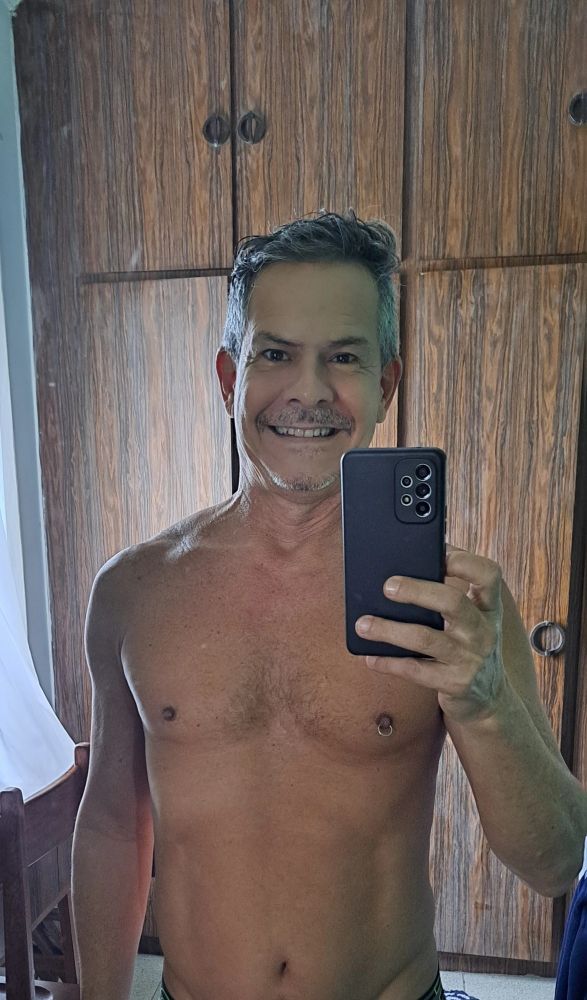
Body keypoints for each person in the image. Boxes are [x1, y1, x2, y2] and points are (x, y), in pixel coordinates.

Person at [71, 211, 587, 1000]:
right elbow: (112, 822)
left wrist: (483, 703)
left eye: (342, 357)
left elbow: (554, 861)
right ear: (228, 378)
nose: (308, 392)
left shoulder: (455, 604)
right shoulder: (133, 592)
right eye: (275, 354)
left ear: (384, 383)